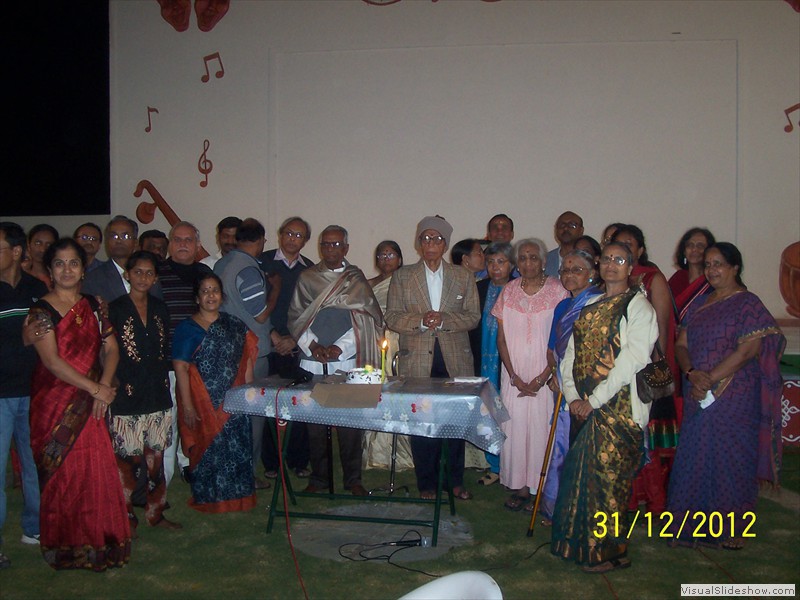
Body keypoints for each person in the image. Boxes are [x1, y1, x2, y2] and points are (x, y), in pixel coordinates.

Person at [668, 242, 784, 550]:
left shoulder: (747, 303)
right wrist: (693, 374)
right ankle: (687, 526)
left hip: (734, 393)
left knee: (732, 459)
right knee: (695, 455)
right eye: (707, 264)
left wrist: (709, 378)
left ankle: (732, 530)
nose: (712, 270)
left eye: (718, 264)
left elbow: (749, 350)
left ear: (735, 267)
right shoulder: (700, 304)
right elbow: (680, 344)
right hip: (698, 392)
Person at [551, 241, 658, 573]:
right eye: (607, 259)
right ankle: (580, 543)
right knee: (582, 478)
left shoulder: (640, 307)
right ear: (599, 265)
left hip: (618, 408)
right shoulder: (591, 303)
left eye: (620, 260)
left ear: (631, 267)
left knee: (609, 482)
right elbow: (570, 354)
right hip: (584, 405)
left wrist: (593, 401)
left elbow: (634, 361)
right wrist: (573, 398)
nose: (612, 265)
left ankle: (609, 553)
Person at [28, 238, 130, 571]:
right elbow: (53, 362)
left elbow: (112, 348)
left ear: (83, 269)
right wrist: (95, 390)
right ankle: (66, 546)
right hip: (55, 403)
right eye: (60, 264)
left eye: (74, 263)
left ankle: (102, 540)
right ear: (50, 270)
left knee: (96, 469)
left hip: (93, 400)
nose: (67, 270)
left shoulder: (95, 304)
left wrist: (103, 386)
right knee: (64, 475)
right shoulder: (41, 311)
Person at [385, 215, 480, 501]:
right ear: (418, 242)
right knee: (421, 421)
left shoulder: (463, 276)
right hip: (417, 359)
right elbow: (391, 316)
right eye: (426, 238)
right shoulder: (403, 276)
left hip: (454, 359)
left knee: (454, 421)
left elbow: (473, 316)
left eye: (437, 239)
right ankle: (426, 483)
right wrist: (422, 321)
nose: (431, 244)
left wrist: (445, 319)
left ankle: (455, 481)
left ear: (445, 244)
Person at [288, 226, 383, 497]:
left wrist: (340, 348)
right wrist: (313, 344)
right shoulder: (307, 278)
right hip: (313, 361)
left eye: (336, 244)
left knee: (349, 425)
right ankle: (319, 478)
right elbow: (295, 317)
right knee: (315, 426)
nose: (330, 249)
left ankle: (353, 479)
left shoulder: (356, 279)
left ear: (346, 248)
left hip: (344, 363)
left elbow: (367, 320)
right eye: (326, 245)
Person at [492, 238, 568, 511]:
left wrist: (542, 376)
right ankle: (521, 487)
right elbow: (501, 339)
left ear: (544, 261)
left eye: (533, 257)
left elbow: (562, 338)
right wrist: (513, 376)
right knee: (516, 428)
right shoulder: (509, 291)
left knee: (542, 429)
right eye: (522, 258)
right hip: (514, 377)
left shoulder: (559, 291)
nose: (527, 263)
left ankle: (542, 489)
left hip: (545, 377)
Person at [172, 273, 258, 512]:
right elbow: (180, 367)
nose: (211, 295)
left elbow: (246, 359)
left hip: (234, 400)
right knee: (207, 449)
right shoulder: (186, 328)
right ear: (197, 298)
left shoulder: (234, 324)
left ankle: (240, 498)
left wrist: (249, 394)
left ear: (222, 295)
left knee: (237, 449)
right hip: (202, 401)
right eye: (205, 291)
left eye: (215, 291)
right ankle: (209, 497)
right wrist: (187, 405)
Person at [108, 251, 180, 533]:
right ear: (128, 274)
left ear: (155, 278)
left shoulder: (161, 308)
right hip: (127, 394)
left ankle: (155, 513)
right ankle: (124, 520)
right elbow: (106, 350)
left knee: (156, 460)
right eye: (138, 272)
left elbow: (163, 351)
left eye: (149, 273)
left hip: (158, 393)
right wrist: (111, 379)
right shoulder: (114, 309)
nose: (143, 278)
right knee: (126, 464)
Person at [611, 224, 678, 514]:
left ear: (639, 250)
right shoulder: (611, 279)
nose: (624, 249)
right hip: (616, 371)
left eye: (630, 244)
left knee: (646, 435)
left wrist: (652, 369)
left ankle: (652, 498)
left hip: (645, 368)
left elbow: (662, 329)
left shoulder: (653, 278)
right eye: (618, 244)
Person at [214, 218, 279, 490]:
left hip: (228, 349)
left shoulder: (222, 264)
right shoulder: (248, 269)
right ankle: (246, 475)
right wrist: (275, 288)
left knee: (231, 416)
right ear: (261, 240)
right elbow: (260, 314)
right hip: (250, 354)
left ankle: (229, 471)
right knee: (253, 419)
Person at [539, 249, 602, 524]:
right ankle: (560, 508)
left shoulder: (599, 304)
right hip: (563, 385)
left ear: (591, 274)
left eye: (576, 269)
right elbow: (553, 348)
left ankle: (587, 511)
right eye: (564, 269)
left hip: (590, 388)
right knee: (562, 446)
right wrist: (555, 373)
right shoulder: (562, 306)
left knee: (588, 449)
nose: (568, 274)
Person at [0, 223, 47, 569]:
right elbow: (27, 338)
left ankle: (34, 528)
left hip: (32, 392)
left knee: (34, 465)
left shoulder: (35, 289)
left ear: (16, 252)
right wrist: (21, 339)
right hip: (0, 395)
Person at [259, 217, 313, 479]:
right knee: (272, 403)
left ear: (305, 241)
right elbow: (253, 303)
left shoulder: (311, 269)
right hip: (268, 343)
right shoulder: (263, 261)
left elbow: (314, 311)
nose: (293, 238)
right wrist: (271, 334)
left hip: (298, 345)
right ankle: (271, 462)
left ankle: (299, 460)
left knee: (300, 402)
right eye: (289, 233)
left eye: (299, 235)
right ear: (280, 235)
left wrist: (293, 338)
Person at [159, 222, 213, 486]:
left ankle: (189, 463)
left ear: (197, 244)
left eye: (188, 240)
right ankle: (165, 472)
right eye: (177, 239)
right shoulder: (157, 273)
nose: (182, 244)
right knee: (170, 418)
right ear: (170, 243)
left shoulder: (205, 273)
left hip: (200, 361)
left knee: (195, 416)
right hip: (167, 360)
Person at [364, 241, 412, 470]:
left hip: (399, 341)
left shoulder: (409, 282)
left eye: (391, 254)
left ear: (400, 259)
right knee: (375, 391)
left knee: (397, 392)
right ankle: (376, 451)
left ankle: (403, 451)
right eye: (381, 254)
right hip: (374, 342)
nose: (386, 259)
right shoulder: (368, 284)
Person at [475, 241, 514, 486]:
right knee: (488, 413)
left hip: (509, 361)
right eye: (491, 262)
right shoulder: (479, 288)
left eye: (501, 262)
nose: (495, 267)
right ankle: (495, 465)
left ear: (512, 264)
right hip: (482, 359)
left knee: (509, 414)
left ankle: (512, 465)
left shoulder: (518, 288)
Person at [83, 216, 142, 304]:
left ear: (136, 243)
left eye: (125, 236)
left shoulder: (147, 275)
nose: (119, 241)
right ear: (107, 242)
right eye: (114, 236)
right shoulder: (93, 279)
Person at [668, 227, 716, 323]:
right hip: (675, 335)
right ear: (684, 251)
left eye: (700, 246)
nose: (694, 249)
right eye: (690, 245)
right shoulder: (678, 278)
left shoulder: (713, 280)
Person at [545, 211, 585, 277]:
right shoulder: (545, 261)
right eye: (562, 225)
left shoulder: (589, 259)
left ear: (581, 230)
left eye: (572, 225)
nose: (566, 228)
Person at [23, 224, 58, 289]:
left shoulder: (60, 278)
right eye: (38, 243)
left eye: (48, 244)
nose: (42, 249)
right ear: (28, 244)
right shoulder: (20, 276)